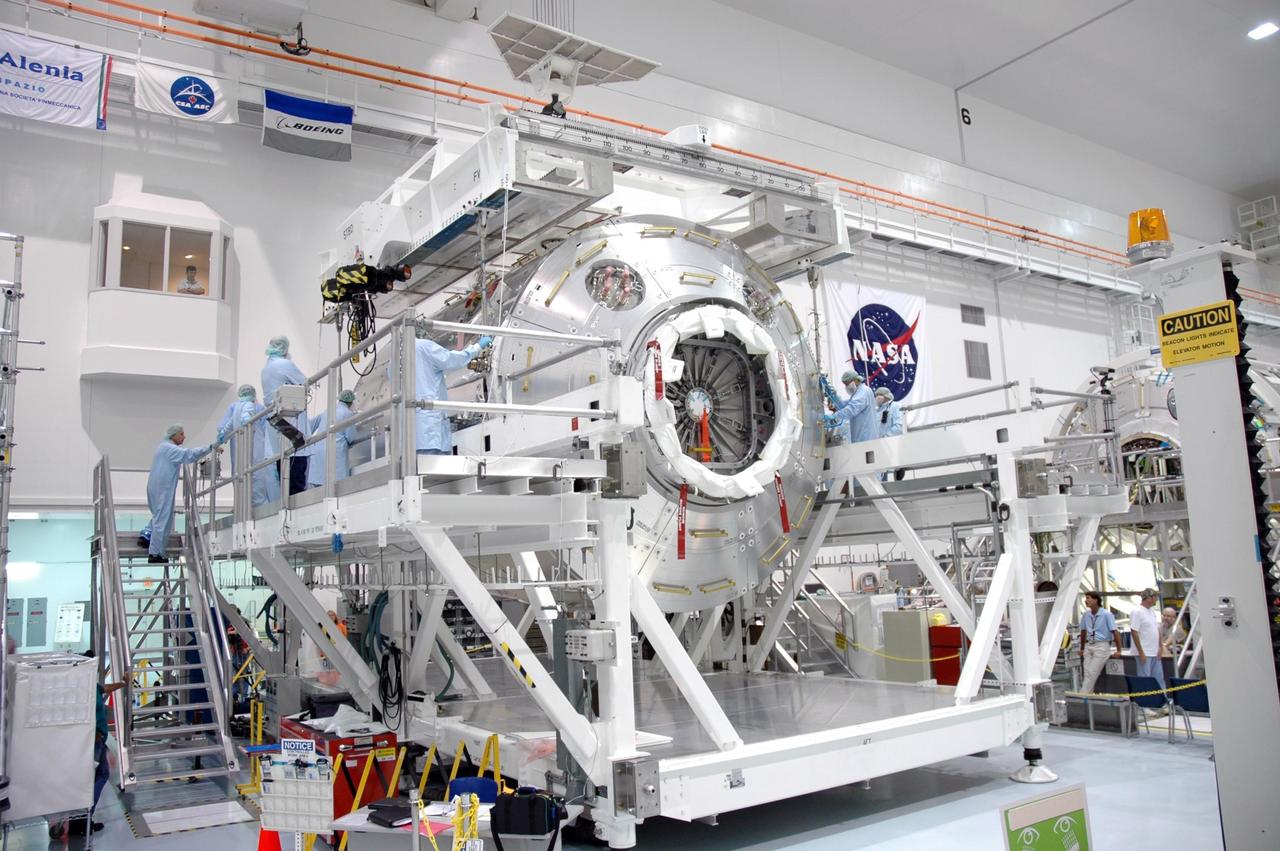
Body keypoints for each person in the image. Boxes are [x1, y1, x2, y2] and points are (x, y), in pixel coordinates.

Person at [137, 425, 212, 563]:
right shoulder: (170, 449)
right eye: (182, 434)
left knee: (160, 516)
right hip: (163, 489)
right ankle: (155, 554)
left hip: (157, 487)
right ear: (173, 435)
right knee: (162, 520)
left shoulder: (163, 447)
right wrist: (210, 447)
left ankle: (146, 535)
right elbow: (189, 455)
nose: (184, 437)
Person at [411, 330, 492, 455]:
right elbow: (451, 360)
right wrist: (477, 347)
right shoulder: (424, 347)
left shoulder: (396, 357)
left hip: (409, 438)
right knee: (434, 470)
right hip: (430, 432)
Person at [261, 335, 310, 494]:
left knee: (283, 465)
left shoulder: (266, 368)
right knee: (296, 462)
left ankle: (287, 504)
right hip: (289, 419)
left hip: (276, 421)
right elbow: (304, 383)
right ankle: (295, 506)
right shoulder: (284, 364)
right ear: (284, 348)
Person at [217, 384, 279, 507]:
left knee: (242, 483)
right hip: (256, 451)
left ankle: (243, 512)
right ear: (254, 395)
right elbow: (268, 429)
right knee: (257, 483)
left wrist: (221, 436)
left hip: (240, 453)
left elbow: (225, 426)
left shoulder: (235, 408)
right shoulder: (257, 408)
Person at [305, 389, 359, 488]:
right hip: (334, 454)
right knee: (335, 488)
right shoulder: (348, 414)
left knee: (319, 486)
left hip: (319, 453)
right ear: (351, 402)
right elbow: (351, 437)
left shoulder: (327, 411)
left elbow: (311, 426)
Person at [1079, 591, 1122, 693]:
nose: (1086, 600)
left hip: (1101, 645)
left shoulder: (1107, 614)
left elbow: (1114, 631)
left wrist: (1119, 650)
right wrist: (1082, 648)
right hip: (1089, 644)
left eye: (1089, 598)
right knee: (1087, 673)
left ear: (1096, 600)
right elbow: (1083, 631)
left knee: (1092, 672)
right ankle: (1088, 698)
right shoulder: (1086, 615)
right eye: (1086, 598)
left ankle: (1082, 695)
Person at [822, 370, 877, 444]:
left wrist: (834, 416)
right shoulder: (858, 393)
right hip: (861, 437)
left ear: (855, 380)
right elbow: (844, 405)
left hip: (865, 437)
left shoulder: (863, 391)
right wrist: (834, 396)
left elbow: (851, 409)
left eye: (847, 384)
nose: (846, 387)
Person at [1129, 588, 1165, 688]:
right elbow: (1134, 631)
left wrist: (1160, 646)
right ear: (1149, 598)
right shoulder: (1137, 611)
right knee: (1145, 679)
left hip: (1154, 651)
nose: (1156, 599)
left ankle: (1162, 700)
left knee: (1159, 678)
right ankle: (1145, 702)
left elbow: (1156, 629)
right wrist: (1141, 652)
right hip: (1145, 651)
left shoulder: (1152, 611)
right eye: (1155, 597)